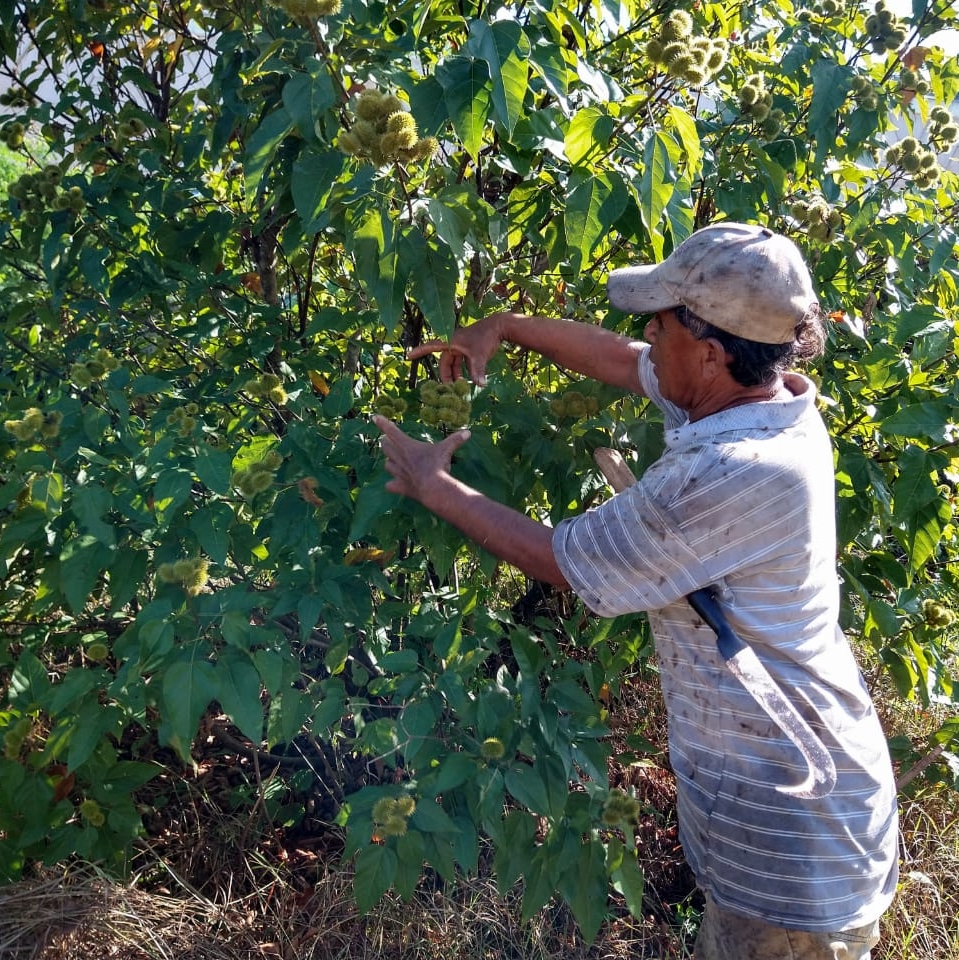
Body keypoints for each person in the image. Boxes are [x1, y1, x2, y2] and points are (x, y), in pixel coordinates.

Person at [372, 222, 899, 960]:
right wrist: (507, 326)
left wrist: (435, 487)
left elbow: (562, 560)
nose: (649, 333)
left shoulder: (734, 471)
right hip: (778, 808)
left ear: (713, 352)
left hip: (793, 848)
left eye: (665, 319)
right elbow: (623, 360)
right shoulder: (759, 399)